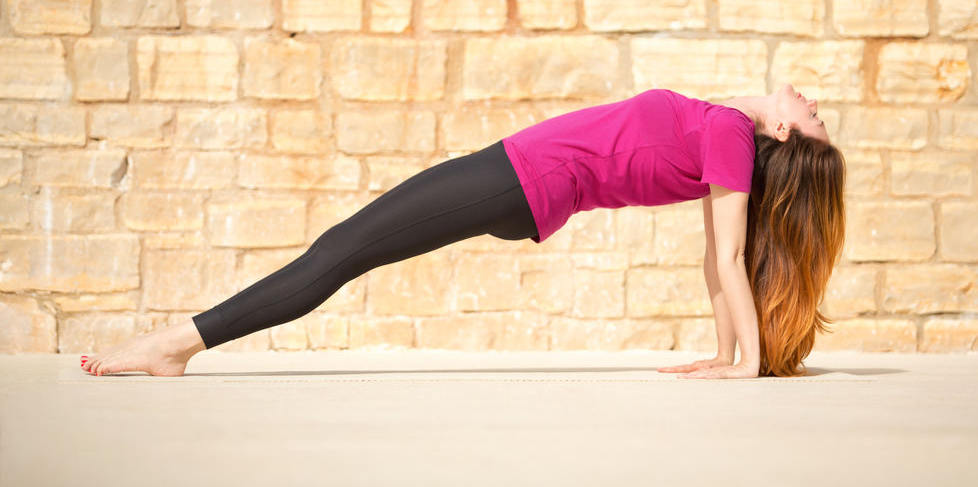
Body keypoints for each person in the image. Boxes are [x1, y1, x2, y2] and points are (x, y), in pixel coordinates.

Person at [80, 83, 846, 379]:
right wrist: (726, 351)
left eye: (817, 117)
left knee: (342, 250)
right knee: (346, 246)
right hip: (517, 172)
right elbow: (723, 261)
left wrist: (742, 362)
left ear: (788, 135)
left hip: (523, 179)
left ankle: (172, 345)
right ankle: (175, 344)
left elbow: (726, 255)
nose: (813, 99)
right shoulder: (734, 130)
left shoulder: (734, 142)